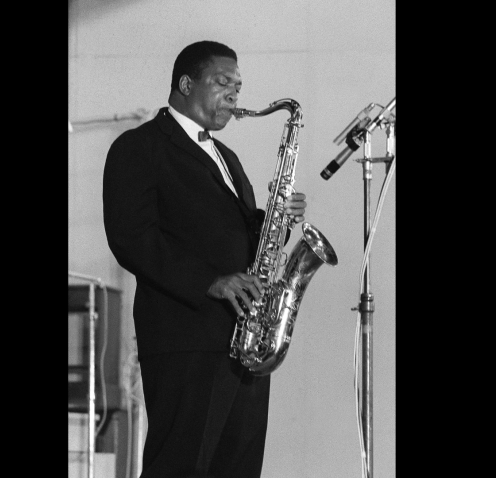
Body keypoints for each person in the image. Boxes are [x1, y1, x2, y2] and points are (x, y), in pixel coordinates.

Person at [102, 40, 307, 478]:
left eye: (238, 86)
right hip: (187, 341)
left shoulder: (226, 157)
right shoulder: (138, 147)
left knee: (238, 468)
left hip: (245, 340)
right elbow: (131, 238)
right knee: (180, 467)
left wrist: (276, 220)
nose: (234, 94)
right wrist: (210, 281)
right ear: (185, 84)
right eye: (222, 82)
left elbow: (236, 239)